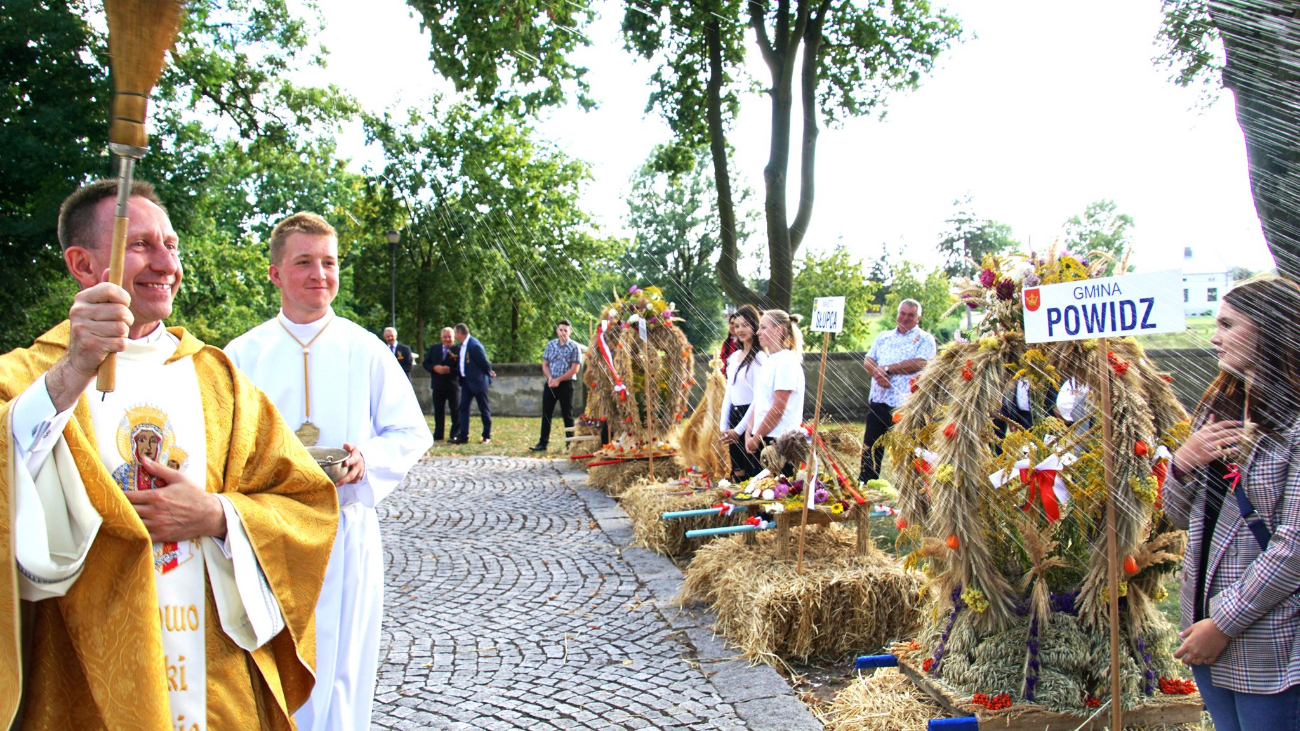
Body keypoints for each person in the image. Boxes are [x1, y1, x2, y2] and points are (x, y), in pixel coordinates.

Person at [0, 179, 338, 728]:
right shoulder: (28, 376)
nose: (166, 263)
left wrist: (219, 515)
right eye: (139, 245)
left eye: (172, 245)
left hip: (215, 674)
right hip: (83, 674)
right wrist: (71, 374)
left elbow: (305, 501)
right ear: (83, 264)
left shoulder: (217, 380)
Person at [224, 212, 432, 731]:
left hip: (346, 529)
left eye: (329, 262)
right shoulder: (240, 356)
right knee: (272, 657)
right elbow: (221, 448)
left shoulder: (366, 350)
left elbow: (409, 432)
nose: (320, 273)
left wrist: (369, 460)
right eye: (304, 262)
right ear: (275, 273)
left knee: (343, 664)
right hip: (268, 532)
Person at [1164, 275, 1300, 731]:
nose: (1214, 335)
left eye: (1227, 324)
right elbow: (1179, 516)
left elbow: (1293, 547)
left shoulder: (1296, 424)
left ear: (1269, 328)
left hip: (1273, 633)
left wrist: (1222, 624)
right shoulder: (1219, 406)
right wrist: (1183, 463)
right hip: (1203, 625)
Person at [859, 299, 937, 483]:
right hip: (879, 401)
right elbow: (868, 360)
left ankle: (910, 488)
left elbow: (920, 363)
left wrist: (887, 369)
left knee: (908, 451)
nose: (905, 318)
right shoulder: (884, 336)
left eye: (911, 315)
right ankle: (866, 484)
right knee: (871, 447)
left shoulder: (925, 339)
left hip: (906, 406)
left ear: (918, 318)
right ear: (897, 314)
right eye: (902, 313)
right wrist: (878, 373)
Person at [733, 309, 805, 474]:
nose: (758, 332)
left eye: (763, 328)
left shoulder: (786, 362)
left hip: (779, 441)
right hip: (762, 437)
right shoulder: (771, 360)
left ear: (779, 329)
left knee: (774, 495)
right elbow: (760, 401)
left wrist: (756, 437)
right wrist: (749, 432)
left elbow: (778, 408)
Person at [718, 305, 766, 480]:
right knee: (737, 469)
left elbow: (758, 398)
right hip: (735, 415)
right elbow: (729, 392)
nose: (740, 330)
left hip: (751, 418)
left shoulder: (760, 358)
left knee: (753, 470)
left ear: (754, 326)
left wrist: (739, 430)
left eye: (745, 325)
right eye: (737, 326)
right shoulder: (733, 357)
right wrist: (724, 427)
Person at [530, 319, 582, 452]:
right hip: (551, 383)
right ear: (557, 330)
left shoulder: (574, 347)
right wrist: (550, 378)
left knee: (567, 415)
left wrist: (559, 380)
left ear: (569, 331)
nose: (563, 332)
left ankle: (570, 444)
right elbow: (545, 364)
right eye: (561, 330)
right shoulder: (550, 345)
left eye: (565, 330)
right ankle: (543, 443)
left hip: (565, 384)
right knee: (546, 414)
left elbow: (574, 369)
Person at [451, 322, 496, 444]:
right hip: (466, 381)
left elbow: (484, 362)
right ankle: (463, 435)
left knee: (483, 408)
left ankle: (486, 435)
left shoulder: (474, 345)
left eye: (455, 333)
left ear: (460, 333)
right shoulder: (462, 346)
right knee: (463, 408)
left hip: (477, 382)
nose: (454, 336)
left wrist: (489, 373)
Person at [423, 326, 461, 441]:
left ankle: (455, 433)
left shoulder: (458, 350)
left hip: (452, 385)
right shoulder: (434, 348)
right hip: (438, 385)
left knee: (455, 411)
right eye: (445, 337)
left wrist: (450, 370)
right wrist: (434, 368)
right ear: (441, 338)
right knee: (438, 411)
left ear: (453, 338)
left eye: (449, 337)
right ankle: (438, 434)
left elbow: (462, 368)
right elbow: (426, 363)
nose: (447, 339)